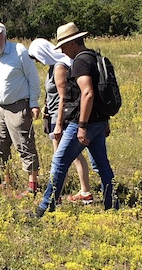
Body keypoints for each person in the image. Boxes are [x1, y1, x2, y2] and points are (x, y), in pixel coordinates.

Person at [35, 23, 116, 217]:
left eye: (63, 45)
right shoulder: (95, 57)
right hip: (98, 121)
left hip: (84, 122)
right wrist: (105, 121)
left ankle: (46, 207)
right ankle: (111, 204)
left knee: (59, 161)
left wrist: (81, 126)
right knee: (101, 164)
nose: (62, 50)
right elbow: (101, 91)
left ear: (72, 42)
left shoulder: (80, 62)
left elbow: (88, 93)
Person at [28, 38, 94, 204]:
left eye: (37, 57)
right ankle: (84, 191)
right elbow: (53, 94)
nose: (37, 61)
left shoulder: (59, 66)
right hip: (56, 115)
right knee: (70, 155)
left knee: (62, 157)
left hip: (62, 118)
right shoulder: (55, 65)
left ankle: (56, 195)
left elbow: (63, 97)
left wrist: (58, 124)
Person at [0, 22, 41, 196]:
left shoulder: (19, 51)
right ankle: (7, 179)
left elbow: (33, 77)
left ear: (4, 37)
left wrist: (34, 103)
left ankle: (33, 185)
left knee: (24, 144)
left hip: (19, 106)